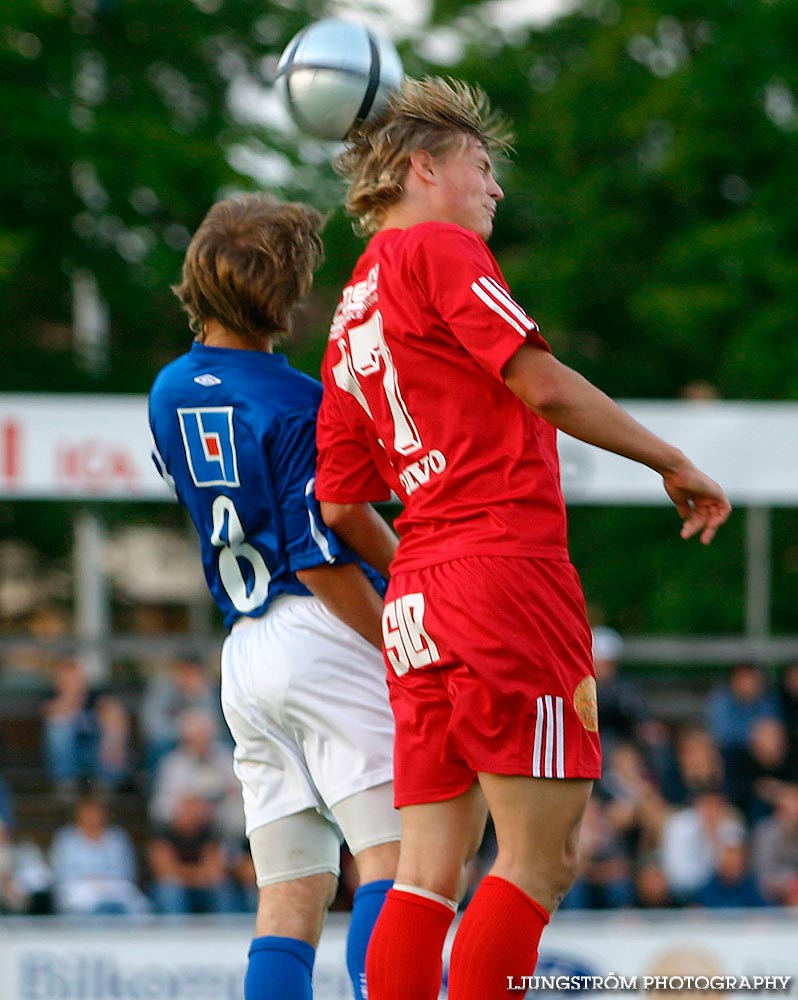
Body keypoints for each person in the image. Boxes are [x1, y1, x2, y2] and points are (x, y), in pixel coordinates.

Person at [314, 76, 732, 1000]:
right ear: (426, 168)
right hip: (503, 572)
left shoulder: (349, 308)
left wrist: (424, 581)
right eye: (481, 165)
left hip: (420, 592)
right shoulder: (441, 249)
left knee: (425, 873)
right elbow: (538, 382)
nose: (494, 188)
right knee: (540, 861)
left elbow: (341, 507)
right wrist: (670, 458)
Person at [147, 192, 400, 1000]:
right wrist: (397, 636)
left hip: (245, 650)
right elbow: (323, 558)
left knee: (290, 889)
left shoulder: (167, 389)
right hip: (321, 631)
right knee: (397, 860)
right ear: (285, 291)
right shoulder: (299, 404)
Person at [49, 789, 150, 916]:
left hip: (113, 886)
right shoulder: (66, 838)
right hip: (79, 888)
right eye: (88, 812)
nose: (92, 817)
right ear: (78, 814)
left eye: (96, 812)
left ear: (104, 814)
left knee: (133, 903)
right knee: (84, 901)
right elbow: (62, 873)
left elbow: (127, 871)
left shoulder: (118, 837)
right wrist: (91, 882)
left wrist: (105, 883)